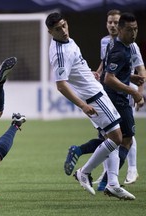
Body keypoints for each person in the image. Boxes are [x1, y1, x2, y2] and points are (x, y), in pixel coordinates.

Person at [45, 12, 135, 200]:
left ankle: (112, 184)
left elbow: (76, 68)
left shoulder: (68, 41)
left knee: (109, 140)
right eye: (57, 29)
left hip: (95, 90)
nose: (63, 31)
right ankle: (84, 172)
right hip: (93, 96)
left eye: (64, 25)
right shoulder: (59, 54)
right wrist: (83, 105)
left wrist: (89, 73)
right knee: (117, 138)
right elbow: (61, 85)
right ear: (49, 32)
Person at [64, 10, 146, 189]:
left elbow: (120, 69)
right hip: (115, 96)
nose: (113, 26)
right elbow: (111, 74)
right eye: (111, 22)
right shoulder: (117, 46)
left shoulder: (117, 45)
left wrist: (131, 80)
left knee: (110, 139)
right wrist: (135, 93)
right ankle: (106, 180)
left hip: (107, 93)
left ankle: (94, 168)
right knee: (123, 139)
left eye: (116, 22)